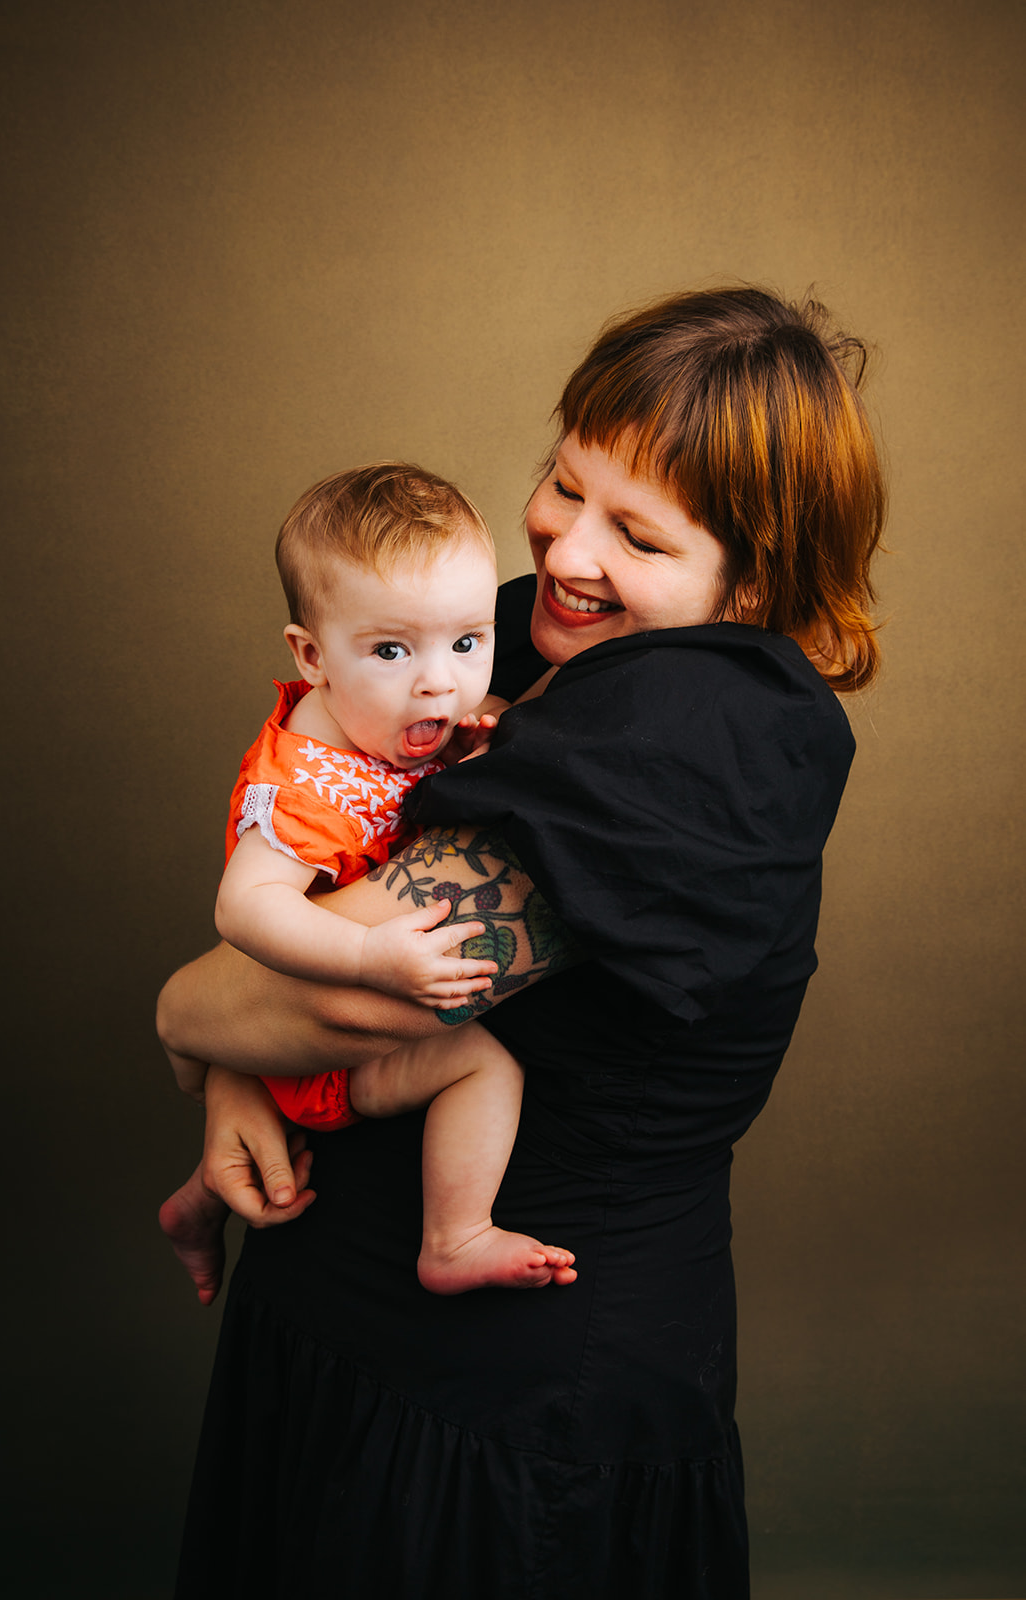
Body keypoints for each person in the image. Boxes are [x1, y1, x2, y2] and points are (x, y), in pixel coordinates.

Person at [157, 286, 884, 1599]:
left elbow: (354, 996)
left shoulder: (701, 728)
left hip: (504, 1405)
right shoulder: (502, 631)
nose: (567, 552)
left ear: (754, 579)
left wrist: (179, 1021)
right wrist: (229, 1079)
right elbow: (315, 855)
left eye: (639, 536)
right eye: (564, 484)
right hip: (332, 1321)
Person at [159, 461, 576, 1303]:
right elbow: (242, 908)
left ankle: (197, 1202)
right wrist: (368, 958)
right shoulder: (311, 785)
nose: (439, 681)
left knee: (251, 1143)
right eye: (391, 650)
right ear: (310, 657)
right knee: (484, 1067)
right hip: (310, 1041)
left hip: (272, 1036)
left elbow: (448, 746)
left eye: (466, 642)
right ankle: (455, 1236)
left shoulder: (390, 720)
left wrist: (478, 745)